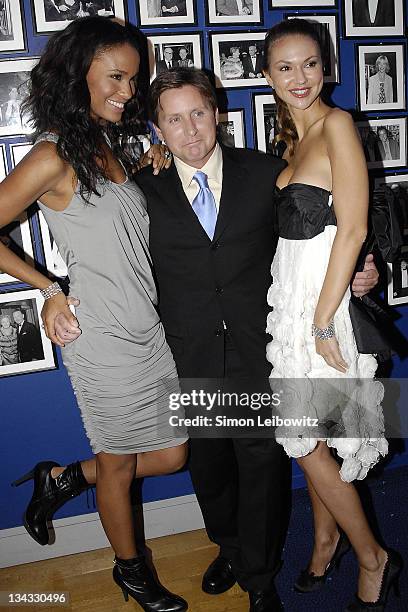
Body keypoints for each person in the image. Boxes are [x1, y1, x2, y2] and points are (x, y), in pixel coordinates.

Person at [52, 67, 379, 612]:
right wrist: (52, 293)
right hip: (187, 351)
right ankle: (229, 547)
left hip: (260, 343)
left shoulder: (267, 174)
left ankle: (260, 577)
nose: (190, 130)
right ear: (158, 130)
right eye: (173, 120)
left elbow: (321, 230)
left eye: (198, 114)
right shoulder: (140, 193)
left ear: (218, 115)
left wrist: (360, 273)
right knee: (210, 468)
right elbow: (102, 253)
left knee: (260, 465)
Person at [3, 17, 188, 612]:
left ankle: (60, 480)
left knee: (173, 453)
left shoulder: (104, 145)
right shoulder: (51, 155)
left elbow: (107, 217)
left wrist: (147, 164)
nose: (127, 91)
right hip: (100, 336)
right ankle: (131, 572)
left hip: (148, 330)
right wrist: (47, 286)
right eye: (116, 77)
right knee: (117, 463)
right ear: (77, 74)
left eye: (134, 80)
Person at [262, 19, 401, 611]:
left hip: (323, 308)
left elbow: (356, 227)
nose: (300, 77)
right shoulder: (292, 141)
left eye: (310, 64)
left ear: (327, 67)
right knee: (311, 430)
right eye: (285, 67)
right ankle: (325, 540)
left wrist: (322, 321)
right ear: (267, 75)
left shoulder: (339, 124)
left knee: (304, 434)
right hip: (290, 302)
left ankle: (373, 556)